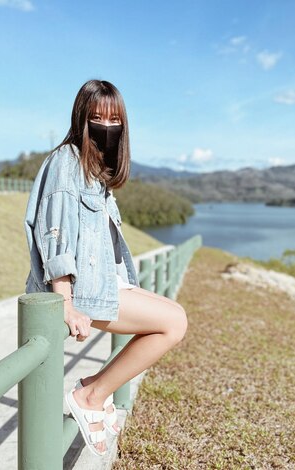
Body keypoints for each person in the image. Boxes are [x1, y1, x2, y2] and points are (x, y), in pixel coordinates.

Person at [23, 79, 188, 455]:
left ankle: (95, 387)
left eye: (114, 119)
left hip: (102, 282)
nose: (106, 126)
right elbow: (55, 236)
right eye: (96, 117)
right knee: (173, 324)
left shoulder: (94, 170)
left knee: (174, 315)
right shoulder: (67, 163)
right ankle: (92, 395)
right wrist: (65, 302)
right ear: (81, 118)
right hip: (79, 291)